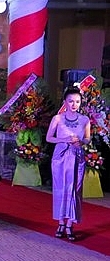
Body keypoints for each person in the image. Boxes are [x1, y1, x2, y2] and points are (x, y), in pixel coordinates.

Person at [45, 87, 90, 241]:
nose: (74, 104)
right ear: (65, 102)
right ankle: (60, 222)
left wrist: (81, 142)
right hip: (60, 157)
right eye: (71, 101)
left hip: (77, 158)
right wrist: (64, 140)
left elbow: (87, 139)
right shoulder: (58, 118)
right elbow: (49, 138)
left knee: (74, 190)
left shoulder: (85, 120)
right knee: (61, 188)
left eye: (77, 101)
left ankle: (70, 224)